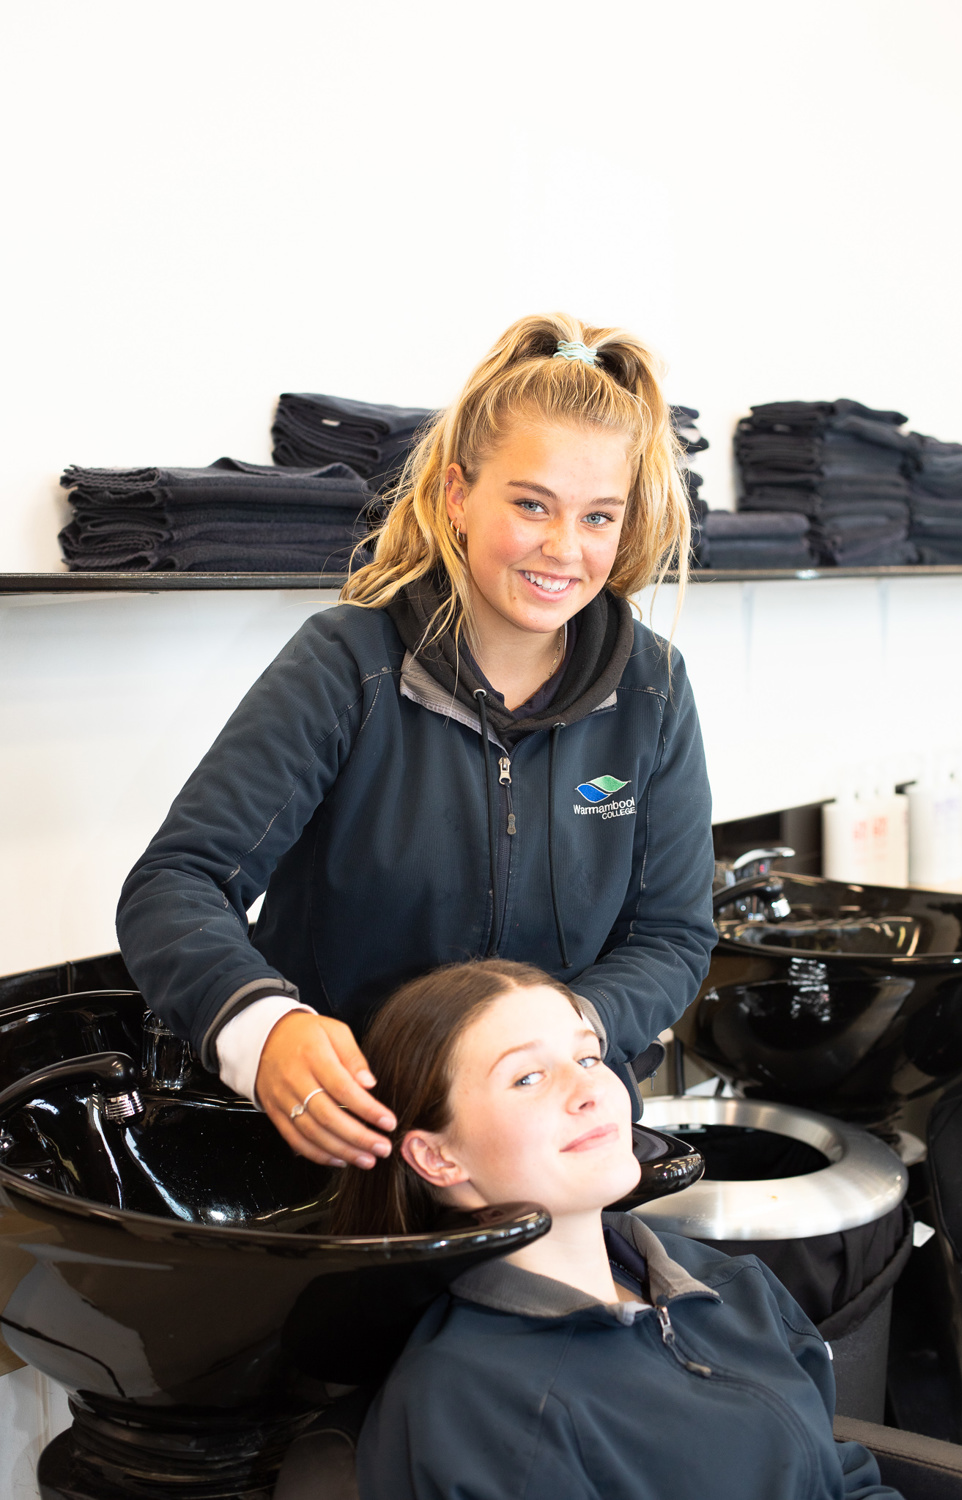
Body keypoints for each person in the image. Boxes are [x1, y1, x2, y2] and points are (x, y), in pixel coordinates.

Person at [116, 313, 716, 1171]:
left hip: (548, 1144)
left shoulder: (652, 691)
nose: (563, 548)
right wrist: (265, 1027)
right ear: (456, 497)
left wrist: (557, 1044)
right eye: (531, 504)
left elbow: (672, 935)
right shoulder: (348, 665)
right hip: (357, 1142)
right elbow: (175, 884)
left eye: (597, 517)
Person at [341, 958, 904, 1500]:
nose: (590, 1090)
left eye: (588, 1058)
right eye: (528, 1077)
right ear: (438, 1159)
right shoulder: (478, 1409)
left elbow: (839, 1474)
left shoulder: (726, 1283)